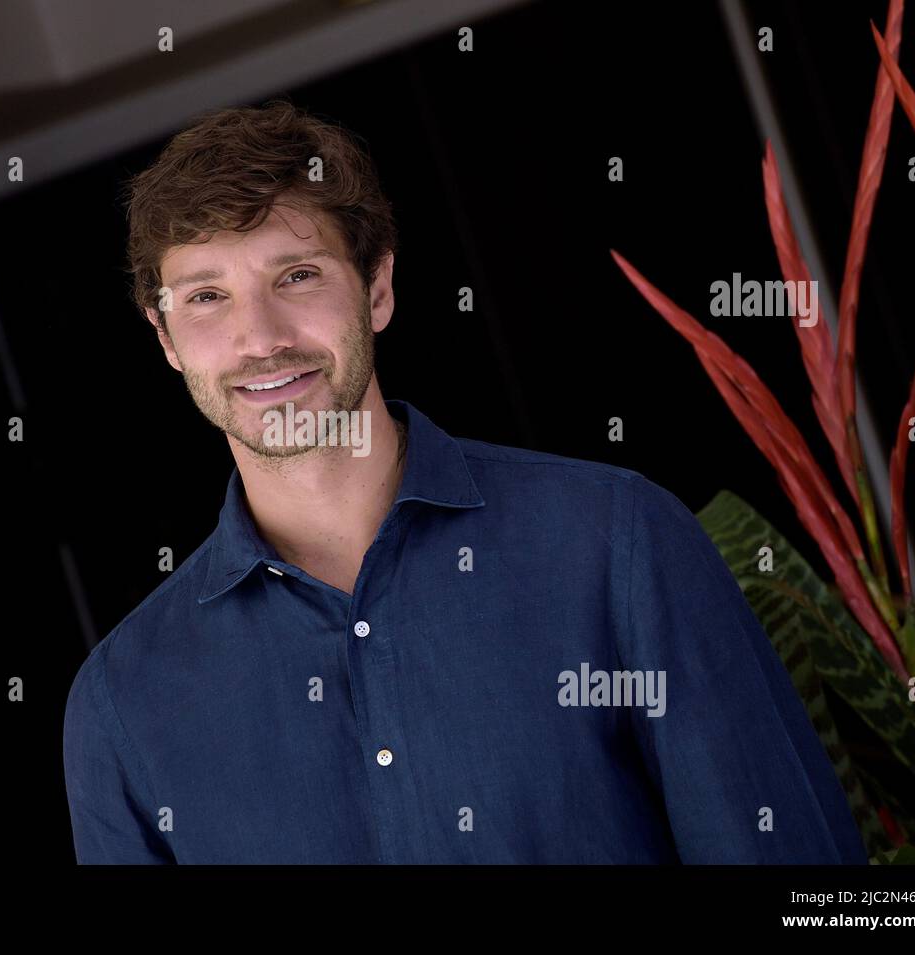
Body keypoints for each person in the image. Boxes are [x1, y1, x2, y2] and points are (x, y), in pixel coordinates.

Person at [62, 99, 869, 864]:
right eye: (207, 296)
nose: (261, 338)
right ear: (165, 337)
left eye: (298, 276)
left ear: (377, 287)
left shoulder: (614, 544)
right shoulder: (122, 705)